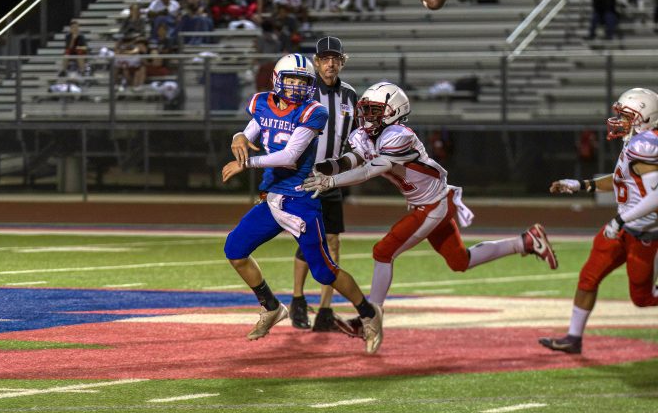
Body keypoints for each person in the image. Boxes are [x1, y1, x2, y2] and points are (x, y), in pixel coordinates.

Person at [301, 81, 558, 328]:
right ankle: (525, 242)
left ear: (394, 112)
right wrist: (325, 168)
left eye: (374, 110)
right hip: (428, 203)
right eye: (365, 110)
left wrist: (331, 182)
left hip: (433, 205)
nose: (367, 116)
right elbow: (353, 159)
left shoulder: (398, 135)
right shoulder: (366, 136)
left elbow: (370, 170)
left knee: (383, 251)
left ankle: (371, 317)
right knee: (460, 261)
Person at [222, 54, 383, 353]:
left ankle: (369, 314)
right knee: (234, 249)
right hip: (273, 198)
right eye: (292, 79)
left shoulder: (314, 111)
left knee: (324, 272)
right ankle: (271, 306)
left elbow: (289, 157)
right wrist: (239, 135)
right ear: (277, 79)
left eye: (303, 81)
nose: (297, 86)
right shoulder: (261, 102)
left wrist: (246, 163)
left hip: (300, 199)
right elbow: (251, 130)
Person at [539, 87, 658, 354]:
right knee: (588, 277)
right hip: (624, 228)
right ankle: (573, 338)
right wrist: (581, 185)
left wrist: (620, 220)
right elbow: (620, 179)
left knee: (642, 298)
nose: (620, 120)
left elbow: (656, 197)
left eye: (627, 116)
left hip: (645, 234)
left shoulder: (647, 146)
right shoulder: (636, 141)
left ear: (646, 118)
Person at [286, 37, 359, 332]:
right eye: (325, 59)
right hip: (303, 175)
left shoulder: (350, 95)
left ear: (342, 62)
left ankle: (326, 309)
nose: (330, 64)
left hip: (332, 178)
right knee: (308, 240)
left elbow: (355, 137)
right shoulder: (303, 91)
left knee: (333, 241)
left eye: (335, 59)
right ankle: (298, 299)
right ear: (316, 62)